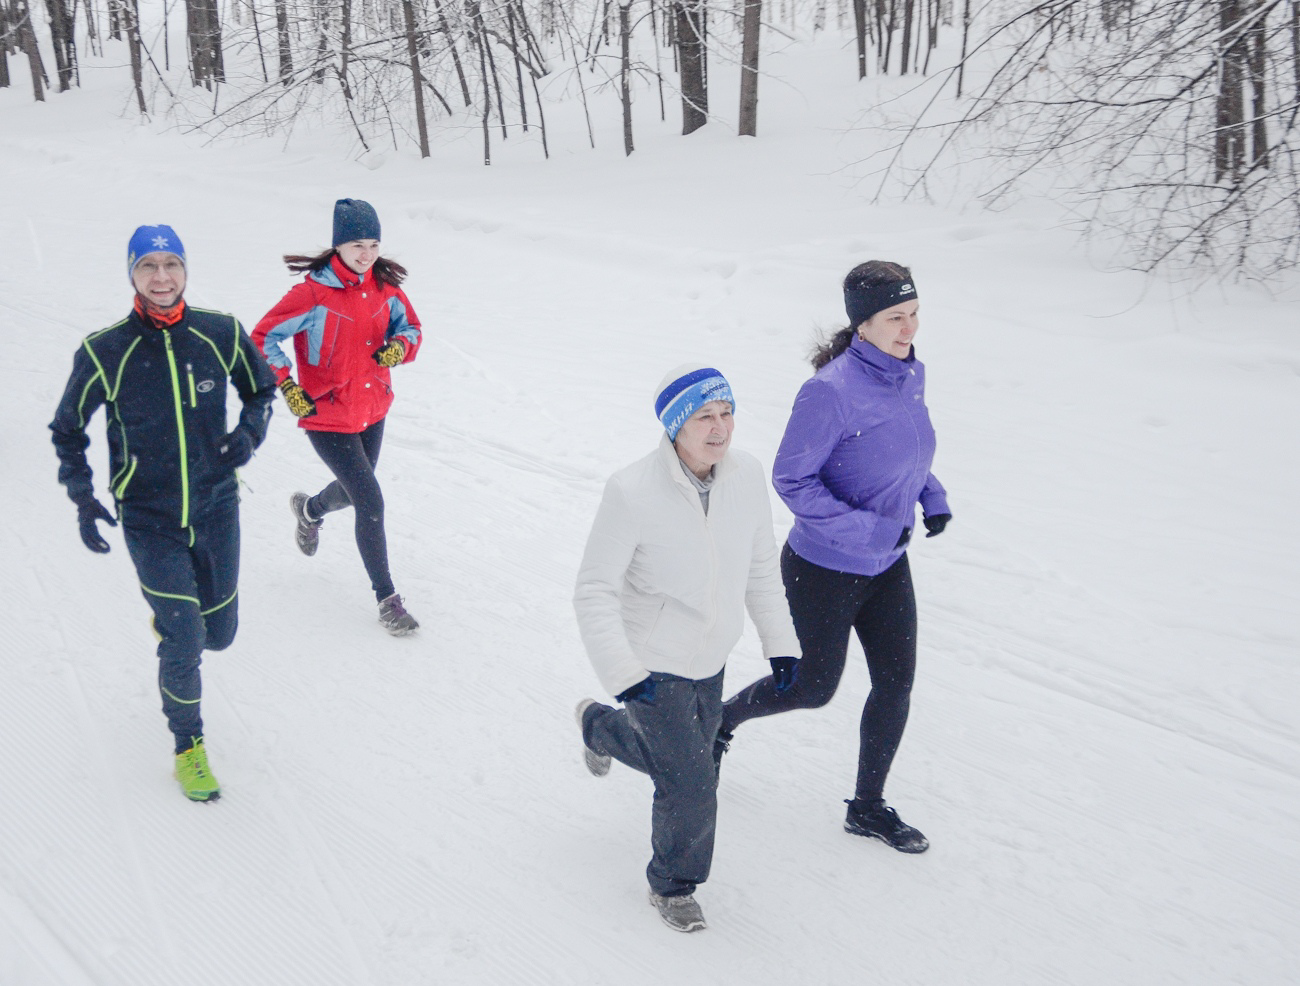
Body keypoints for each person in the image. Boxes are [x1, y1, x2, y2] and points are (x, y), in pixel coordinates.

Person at [716, 261, 952, 853]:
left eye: (914, 314)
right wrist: (868, 530)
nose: (909, 328)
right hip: (823, 569)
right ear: (862, 324)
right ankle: (718, 722)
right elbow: (791, 479)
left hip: (886, 565)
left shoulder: (909, 373)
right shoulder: (830, 391)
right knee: (811, 688)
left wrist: (931, 494)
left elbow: (905, 450)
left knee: (896, 684)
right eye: (894, 318)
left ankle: (867, 808)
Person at [50, 225, 277, 802]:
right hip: (148, 516)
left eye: (170, 264)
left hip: (216, 507)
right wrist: (82, 495)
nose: (160, 277)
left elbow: (261, 390)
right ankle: (188, 746)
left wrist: (249, 435)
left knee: (218, 635)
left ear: (185, 270)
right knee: (185, 636)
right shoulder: (105, 350)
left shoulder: (220, 333)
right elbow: (68, 428)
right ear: (132, 274)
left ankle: (182, 624)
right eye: (147, 265)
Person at [572, 366, 800, 933]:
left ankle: (600, 729)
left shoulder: (746, 475)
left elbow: (760, 566)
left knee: (687, 767)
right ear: (676, 426)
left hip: (712, 656)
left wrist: (780, 642)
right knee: (693, 785)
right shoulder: (631, 491)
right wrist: (623, 672)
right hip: (652, 664)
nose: (720, 427)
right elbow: (594, 589)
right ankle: (673, 885)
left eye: (727, 413)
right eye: (705, 417)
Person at [253, 199, 423, 635]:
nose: (367, 254)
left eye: (373, 244)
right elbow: (262, 338)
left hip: (372, 408)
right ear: (338, 246)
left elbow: (412, 328)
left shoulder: (385, 289)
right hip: (326, 414)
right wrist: (288, 385)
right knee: (370, 501)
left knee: (351, 493)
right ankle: (388, 600)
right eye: (357, 245)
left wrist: (399, 348)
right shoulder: (312, 294)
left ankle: (309, 510)